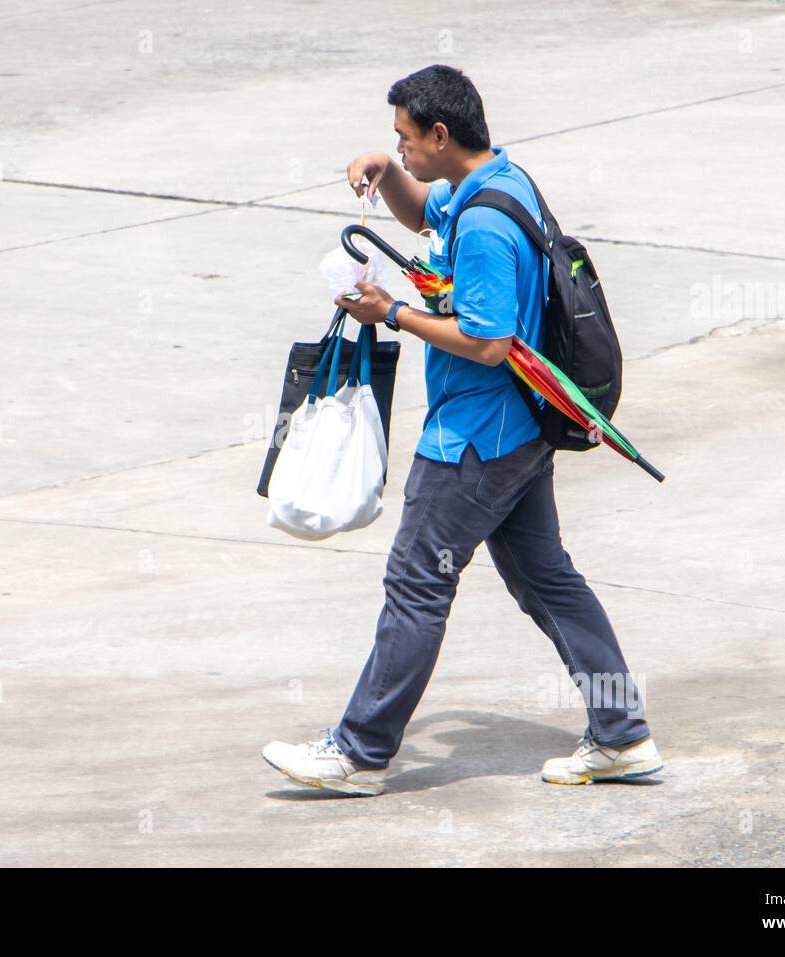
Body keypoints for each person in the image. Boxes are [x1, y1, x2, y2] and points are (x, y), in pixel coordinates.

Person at [262, 64, 662, 796]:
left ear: (441, 135)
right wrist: (385, 174)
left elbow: (488, 341)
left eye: (405, 140)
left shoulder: (481, 226)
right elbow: (423, 217)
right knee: (547, 578)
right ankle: (622, 733)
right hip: (521, 430)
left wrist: (392, 313)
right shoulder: (498, 181)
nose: (402, 150)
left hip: (475, 440)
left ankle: (358, 752)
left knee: (416, 584)